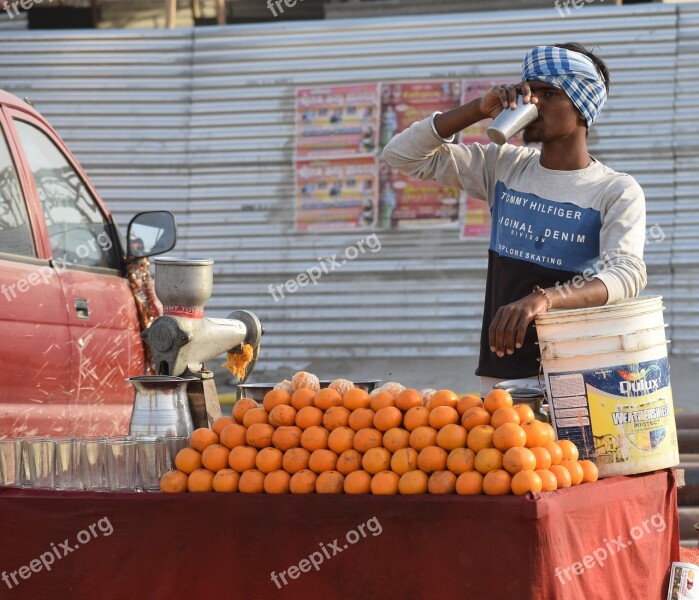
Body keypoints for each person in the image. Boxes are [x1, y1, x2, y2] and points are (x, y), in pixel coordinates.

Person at [383, 43, 647, 396]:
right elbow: (401, 155)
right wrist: (479, 109)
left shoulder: (615, 189)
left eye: (549, 93)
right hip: (501, 374)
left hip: (579, 372)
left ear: (582, 107)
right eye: (529, 90)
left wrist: (545, 299)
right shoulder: (504, 166)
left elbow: (626, 274)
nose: (532, 103)